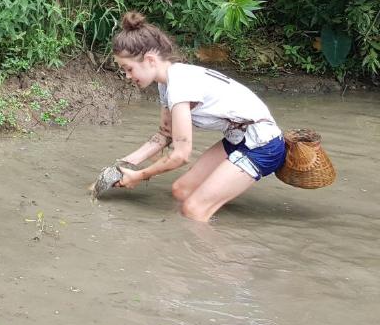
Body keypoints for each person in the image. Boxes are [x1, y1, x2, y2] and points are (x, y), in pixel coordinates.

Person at [110, 11, 287, 222]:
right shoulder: (167, 82)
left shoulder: (180, 86)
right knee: (180, 191)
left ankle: (214, 250)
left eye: (128, 69)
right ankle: (215, 202)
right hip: (237, 139)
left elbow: (181, 155)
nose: (128, 77)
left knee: (193, 210)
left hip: (264, 145)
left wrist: (139, 176)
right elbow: (164, 134)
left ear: (149, 60)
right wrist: (120, 167)